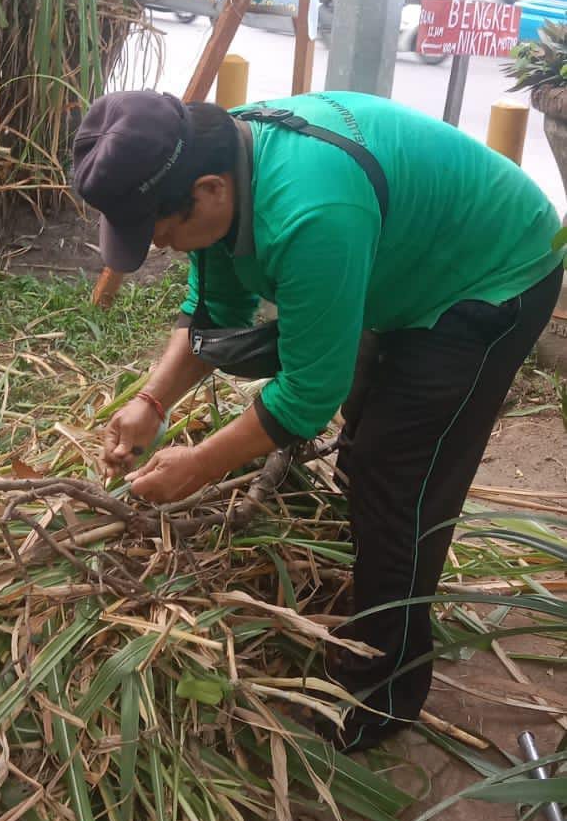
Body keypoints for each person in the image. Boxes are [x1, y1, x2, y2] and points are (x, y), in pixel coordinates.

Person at [71, 90, 563, 751]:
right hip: (399, 257)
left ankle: (380, 695)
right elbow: (213, 311)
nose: (158, 244)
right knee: (368, 444)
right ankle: (365, 588)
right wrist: (151, 403)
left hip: (491, 272)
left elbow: (306, 397)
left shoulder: (310, 214)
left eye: (158, 229)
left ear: (210, 190)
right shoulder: (217, 161)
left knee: (398, 485)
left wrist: (200, 466)